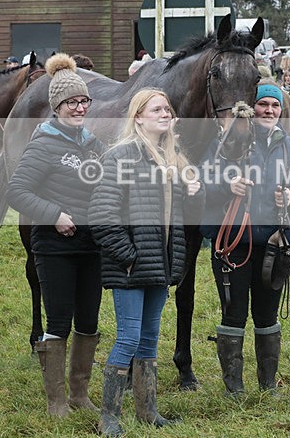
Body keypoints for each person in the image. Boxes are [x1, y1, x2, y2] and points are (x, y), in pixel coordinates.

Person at [91, 88, 204, 436]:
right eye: (156, 109)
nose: (164, 114)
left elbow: (178, 221)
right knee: (127, 337)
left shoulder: (170, 159)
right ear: (138, 116)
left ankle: (147, 410)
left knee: (150, 338)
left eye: (167, 109)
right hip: (131, 265)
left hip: (160, 264)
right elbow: (101, 215)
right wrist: (129, 255)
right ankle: (108, 416)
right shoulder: (121, 156)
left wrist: (173, 259)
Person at [200, 83, 290, 395]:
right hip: (233, 245)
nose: (269, 111)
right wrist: (229, 186)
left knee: (267, 313)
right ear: (252, 108)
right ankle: (233, 387)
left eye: (274, 106)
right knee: (234, 312)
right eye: (263, 104)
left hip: (275, 246)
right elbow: (202, 183)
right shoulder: (227, 144)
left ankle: (267, 384)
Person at [7, 53, 105, 418]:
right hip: (55, 247)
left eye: (83, 101)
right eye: (71, 102)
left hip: (91, 247)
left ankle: (80, 394)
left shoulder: (93, 144)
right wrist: (54, 215)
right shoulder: (42, 144)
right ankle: (56, 400)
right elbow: (16, 191)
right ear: (57, 106)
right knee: (59, 321)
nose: (79, 108)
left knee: (90, 322)